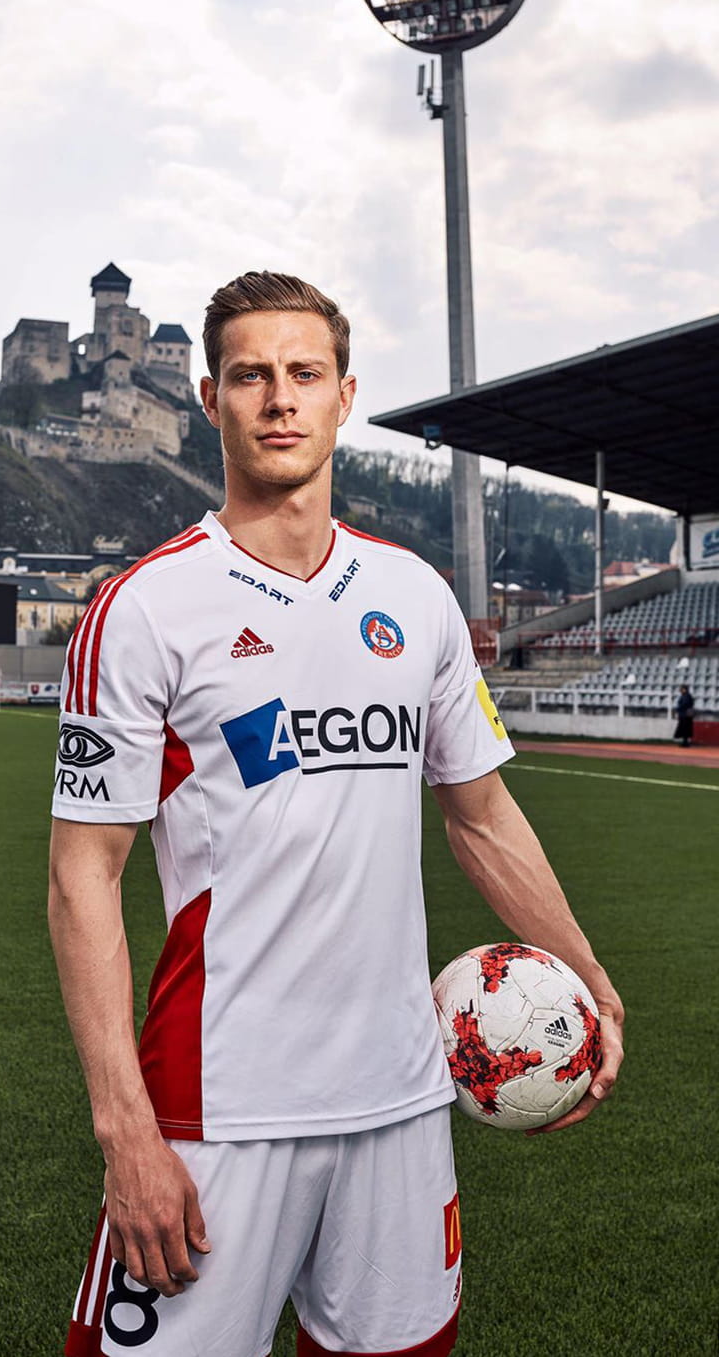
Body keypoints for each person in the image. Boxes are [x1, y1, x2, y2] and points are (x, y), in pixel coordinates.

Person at [48, 271, 624, 1357]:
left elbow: (482, 814)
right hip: (217, 1103)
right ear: (210, 398)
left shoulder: (413, 600)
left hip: (402, 1098)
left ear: (343, 395)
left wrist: (585, 972)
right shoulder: (147, 608)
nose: (278, 397)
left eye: (302, 373)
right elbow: (83, 873)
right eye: (251, 374)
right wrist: (125, 1129)